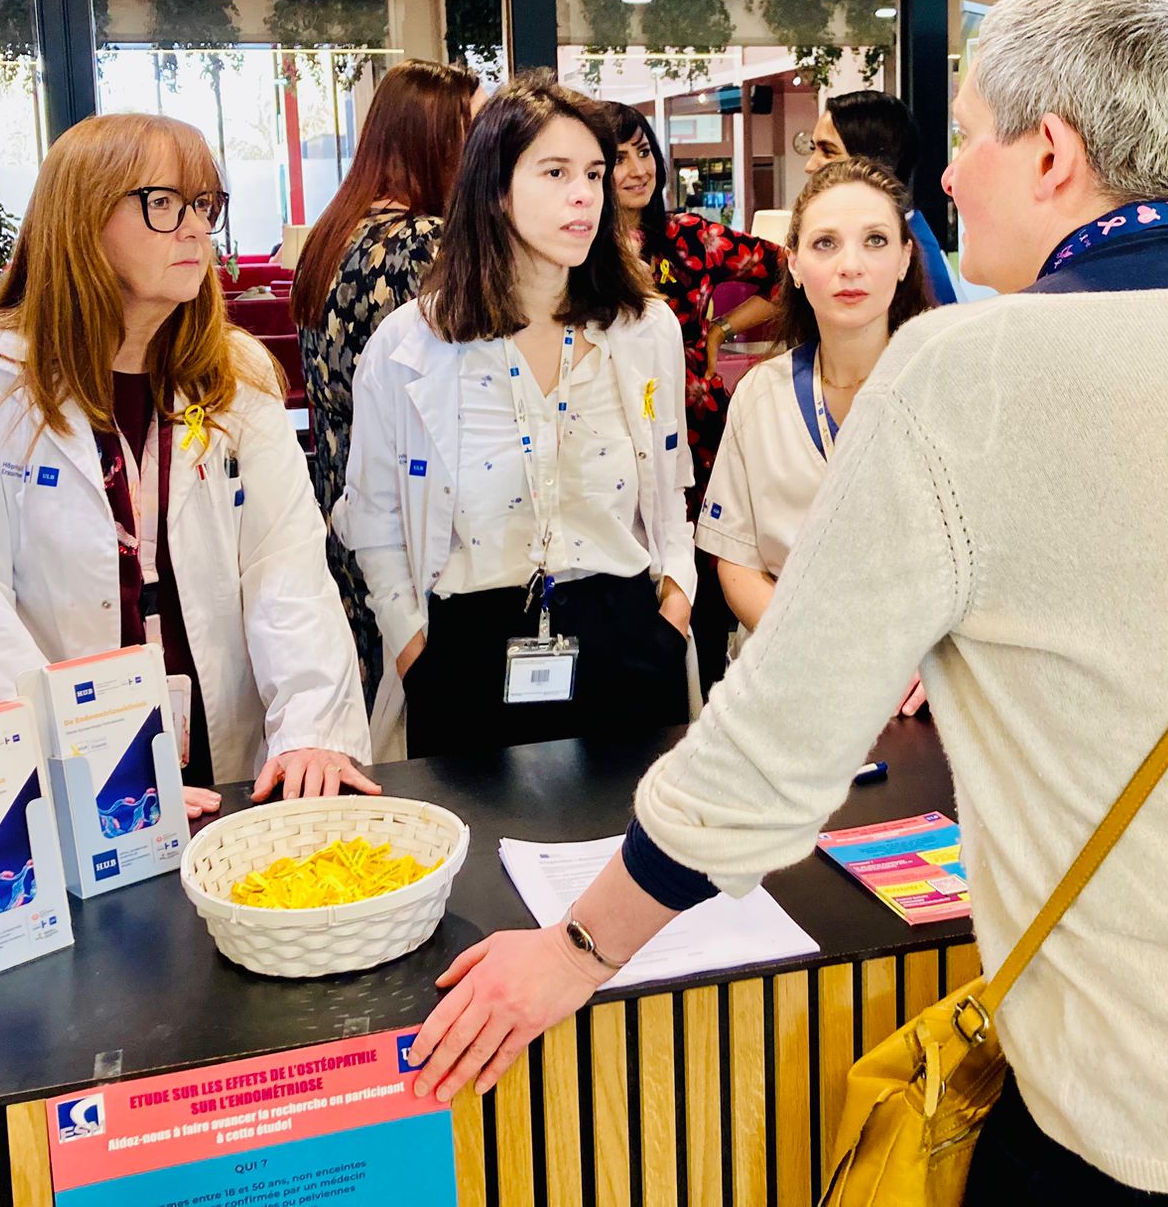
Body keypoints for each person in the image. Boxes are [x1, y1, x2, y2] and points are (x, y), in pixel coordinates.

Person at [403, 0, 1168, 1206]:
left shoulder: (964, 372)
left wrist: (576, 951)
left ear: (1051, 153)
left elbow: (770, 756)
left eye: (966, 138)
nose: (944, 178)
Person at [0, 112, 374, 809]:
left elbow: (286, 566)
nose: (195, 229)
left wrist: (310, 729)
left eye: (204, 204)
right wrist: (91, 771)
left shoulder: (236, 371)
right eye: (163, 203)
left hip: (223, 761)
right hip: (67, 775)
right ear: (82, 217)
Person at [338, 74, 695, 761]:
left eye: (594, 173)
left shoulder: (645, 329)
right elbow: (374, 519)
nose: (584, 194)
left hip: (626, 639)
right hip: (468, 650)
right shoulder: (412, 345)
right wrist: (414, 651)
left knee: (630, 828)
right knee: (474, 831)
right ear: (496, 188)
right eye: (555, 172)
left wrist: (673, 612)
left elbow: (670, 488)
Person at [699, 156, 931, 703]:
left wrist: (923, 661)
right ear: (795, 264)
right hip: (787, 673)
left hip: (912, 686)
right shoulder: (761, 394)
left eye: (875, 241)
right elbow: (736, 562)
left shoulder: (947, 389)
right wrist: (817, 648)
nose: (850, 265)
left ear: (904, 258)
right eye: (826, 243)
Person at [293, 60, 481, 702]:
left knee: (366, 682)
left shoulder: (333, 233)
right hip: (406, 504)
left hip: (339, 487)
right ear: (440, 141)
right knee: (421, 700)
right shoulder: (426, 243)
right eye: (475, 132)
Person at [604, 101, 781, 689]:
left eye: (644, 152)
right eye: (618, 158)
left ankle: (704, 710)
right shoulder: (580, 251)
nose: (637, 169)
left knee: (704, 585)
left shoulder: (689, 237)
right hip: (613, 440)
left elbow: (787, 271)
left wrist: (721, 330)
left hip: (698, 435)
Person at [804, 87, 958, 304]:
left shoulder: (917, 265)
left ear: (873, 162)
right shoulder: (901, 234)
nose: (810, 166)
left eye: (828, 151)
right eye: (813, 149)